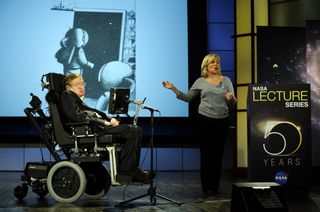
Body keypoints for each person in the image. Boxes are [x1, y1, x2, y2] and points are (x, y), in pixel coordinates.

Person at [162, 54, 236, 196]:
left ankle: (214, 187)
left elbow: (234, 103)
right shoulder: (201, 81)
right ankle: (207, 187)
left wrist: (231, 98)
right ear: (206, 66)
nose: (216, 64)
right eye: (213, 62)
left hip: (222, 121)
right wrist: (173, 88)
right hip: (205, 120)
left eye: (218, 62)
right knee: (207, 154)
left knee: (218, 155)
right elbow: (188, 98)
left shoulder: (226, 81)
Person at [59, 73, 152, 183]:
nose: (82, 86)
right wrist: (100, 120)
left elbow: (93, 112)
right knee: (133, 131)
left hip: (96, 129)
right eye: (77, 84)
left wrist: (108, 119)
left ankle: (130, 170)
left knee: (134, 130)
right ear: (68, 86)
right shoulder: (66, 95)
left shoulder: (76, 99)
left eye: (82, 83)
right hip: (90, 131)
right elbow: (76, 116)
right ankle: (127, 171)